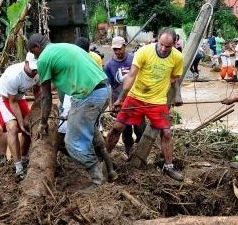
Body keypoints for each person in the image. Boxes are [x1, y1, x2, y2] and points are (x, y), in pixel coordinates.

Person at [28, 34, 110, 188]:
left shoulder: (44, 58)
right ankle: (108, 170)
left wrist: (43, 123)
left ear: (36, 47)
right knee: (89, 131)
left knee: (72, 143)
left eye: (33, 53)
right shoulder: (65, 46)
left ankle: (98, 180)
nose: (35, 55)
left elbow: (46, 97)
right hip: (104, 91)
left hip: (88, 96)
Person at [105, 28, 184, 181]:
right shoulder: (144, 52)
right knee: (116, 128)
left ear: (174, 43)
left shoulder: (178, 57)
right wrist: (120, 98)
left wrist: (177, 96)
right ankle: (103, 160)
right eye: (161, 44)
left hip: (158, 101)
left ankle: (169, 167)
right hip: (136, 97)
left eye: (167, 46)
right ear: (157, 40)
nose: (163, 48)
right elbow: (131, 76)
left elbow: (175, 79)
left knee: (166, 133)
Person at [0, 53, 39, 179]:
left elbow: (37, 90)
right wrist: (20, 123)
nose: (35, 71)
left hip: (19, 96)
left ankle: (23, 157)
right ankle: (18, 166)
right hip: (3, 97)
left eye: (37, 69)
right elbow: (12, 103)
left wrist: (38, 108)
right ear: (26, 63)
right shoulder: (14, 75)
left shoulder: (39, 71)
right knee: (13, 127)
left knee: (29, 123)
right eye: (33, 68)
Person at [104, 36, 144, 155]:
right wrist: (111, 104)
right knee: (125, 131)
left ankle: (141, 154)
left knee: (140, 128)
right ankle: (129, 153)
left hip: (136, 100)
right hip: (120, 102)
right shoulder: (109, 65)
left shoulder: (134, 59)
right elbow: (110, 86)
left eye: (119, 49)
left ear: (124, 47)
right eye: (115, 49)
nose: (117, 52)